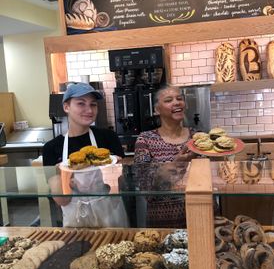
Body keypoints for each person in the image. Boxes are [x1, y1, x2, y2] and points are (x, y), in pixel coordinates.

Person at [43, 82, 129, 228]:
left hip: (110, 215)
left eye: (93, 104)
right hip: (76, 220)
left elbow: (120, 188)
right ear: (66, 107)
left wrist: (116, 173)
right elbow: (62, 201)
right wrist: (63, 175)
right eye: (81, 104)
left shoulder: (108, 137)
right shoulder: (52, 148)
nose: (89, 110)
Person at [134, 85, 196, 228]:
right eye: (169, 100)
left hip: (199, 214)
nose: (176, 102)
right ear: (157, 110)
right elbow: (144, 186)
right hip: (163, 221)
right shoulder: (146, 139)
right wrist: (175, 165)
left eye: (179, 98)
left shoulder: (197, 138)